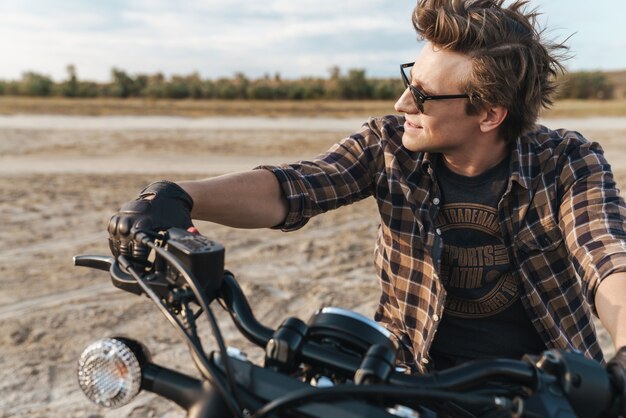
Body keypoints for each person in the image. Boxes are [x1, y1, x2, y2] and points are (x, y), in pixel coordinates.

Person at [108, 0, 626, 413]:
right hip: (406, 383)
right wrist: (178, 195)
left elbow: (605, 256)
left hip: (547, 393)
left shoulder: (566, 163)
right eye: (408, 81)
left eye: (423, 96)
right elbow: (296, 186)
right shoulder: (388, 145)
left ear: (489, 114)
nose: (403, 104)